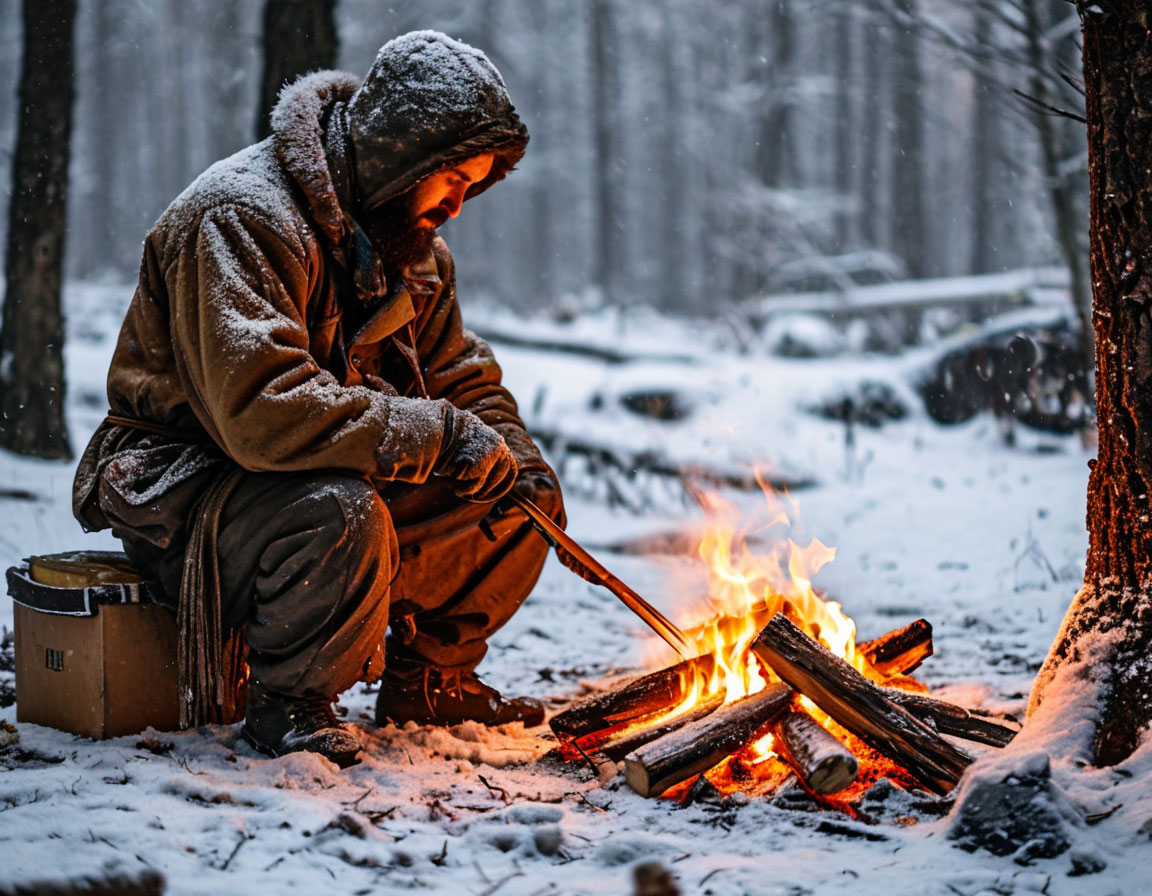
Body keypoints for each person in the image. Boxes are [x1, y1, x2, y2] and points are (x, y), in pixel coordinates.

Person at [72, 31, 568, 767]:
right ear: (404, 154)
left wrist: (501, 447)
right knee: (340, 513)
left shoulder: (412, 249)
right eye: (453, 178)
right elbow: (261, 411)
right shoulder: (241, 216)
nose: (459, 205)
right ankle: (292, 704)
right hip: (187, 485)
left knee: (517, 492)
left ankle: (429, 680)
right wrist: (435, 435)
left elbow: (459, 378)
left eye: (475, 184)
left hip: (315, 469)